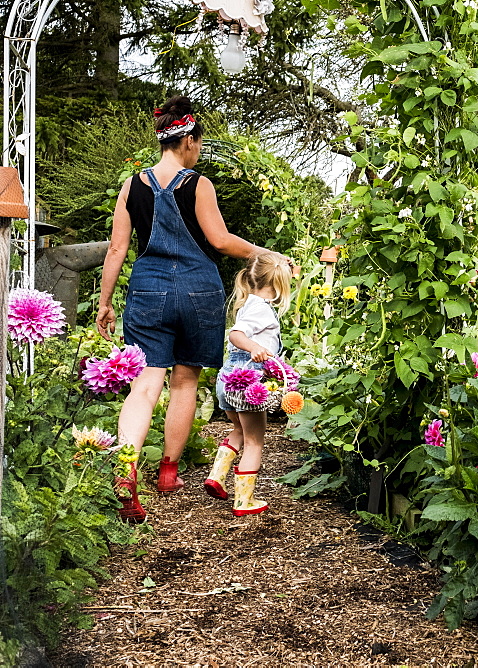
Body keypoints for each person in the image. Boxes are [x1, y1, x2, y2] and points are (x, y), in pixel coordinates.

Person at [96, 95, 283, 523]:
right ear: (189, 140)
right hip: (198, 291)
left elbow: (117, 248)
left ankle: (126, 474)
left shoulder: (132, 185)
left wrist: (105, 302)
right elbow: (219, 241)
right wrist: (264, 251)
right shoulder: (198, 184)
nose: (198, 149)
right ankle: (168, 472)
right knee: (184, 382)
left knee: (144, 387)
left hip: (147, 291)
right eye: (198, 142)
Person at [204, 254, 290, 516]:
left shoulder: (248, 304)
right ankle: (244, 501)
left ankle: (217, 477)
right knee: (255, 441)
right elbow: (236, 334)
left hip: (228, 379)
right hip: (247, 381)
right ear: (278, 283)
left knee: (239, 429)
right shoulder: (261, 309)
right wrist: (255, 347)